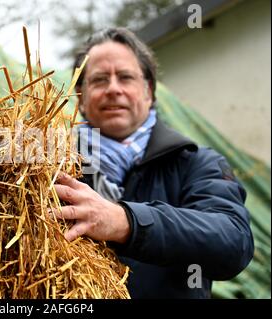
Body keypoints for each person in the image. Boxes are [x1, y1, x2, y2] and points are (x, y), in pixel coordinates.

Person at [52, 27, 254, 298]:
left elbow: (233, 242)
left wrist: (126, 222)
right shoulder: (52, 165)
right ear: (81, 97)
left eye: (125, 78)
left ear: (148, 91)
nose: (113, 89)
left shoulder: (196, 162)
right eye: (99, 80)